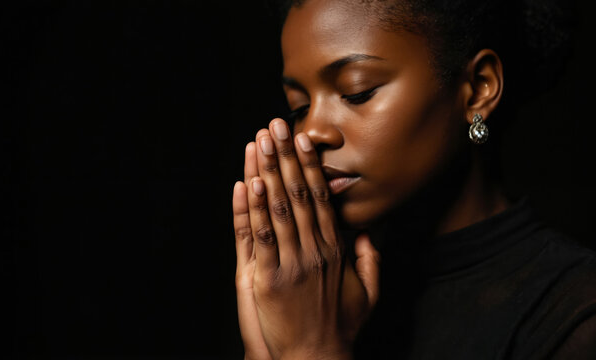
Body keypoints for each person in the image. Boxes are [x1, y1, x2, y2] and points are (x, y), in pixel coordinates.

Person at [231, 0, 596, 358]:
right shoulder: (315, 296)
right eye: (300, 107)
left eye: (357, 92)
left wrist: (311, 350)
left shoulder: (575, 314)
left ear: (479, 87)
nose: (309, 132)